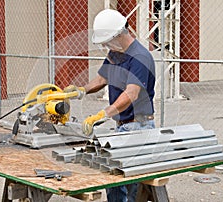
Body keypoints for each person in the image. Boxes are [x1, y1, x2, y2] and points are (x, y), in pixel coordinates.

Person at [64, 8, 156, 202]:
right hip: (122, 126)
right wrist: (81, 90)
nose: (105, 45)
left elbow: (131, 93)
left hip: (138, 127)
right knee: (112, 178)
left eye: (107, 41)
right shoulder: (116, 54)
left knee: (131, 184)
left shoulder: (140, 57)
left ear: (119, 35)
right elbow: (101, 78)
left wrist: (102, 114)